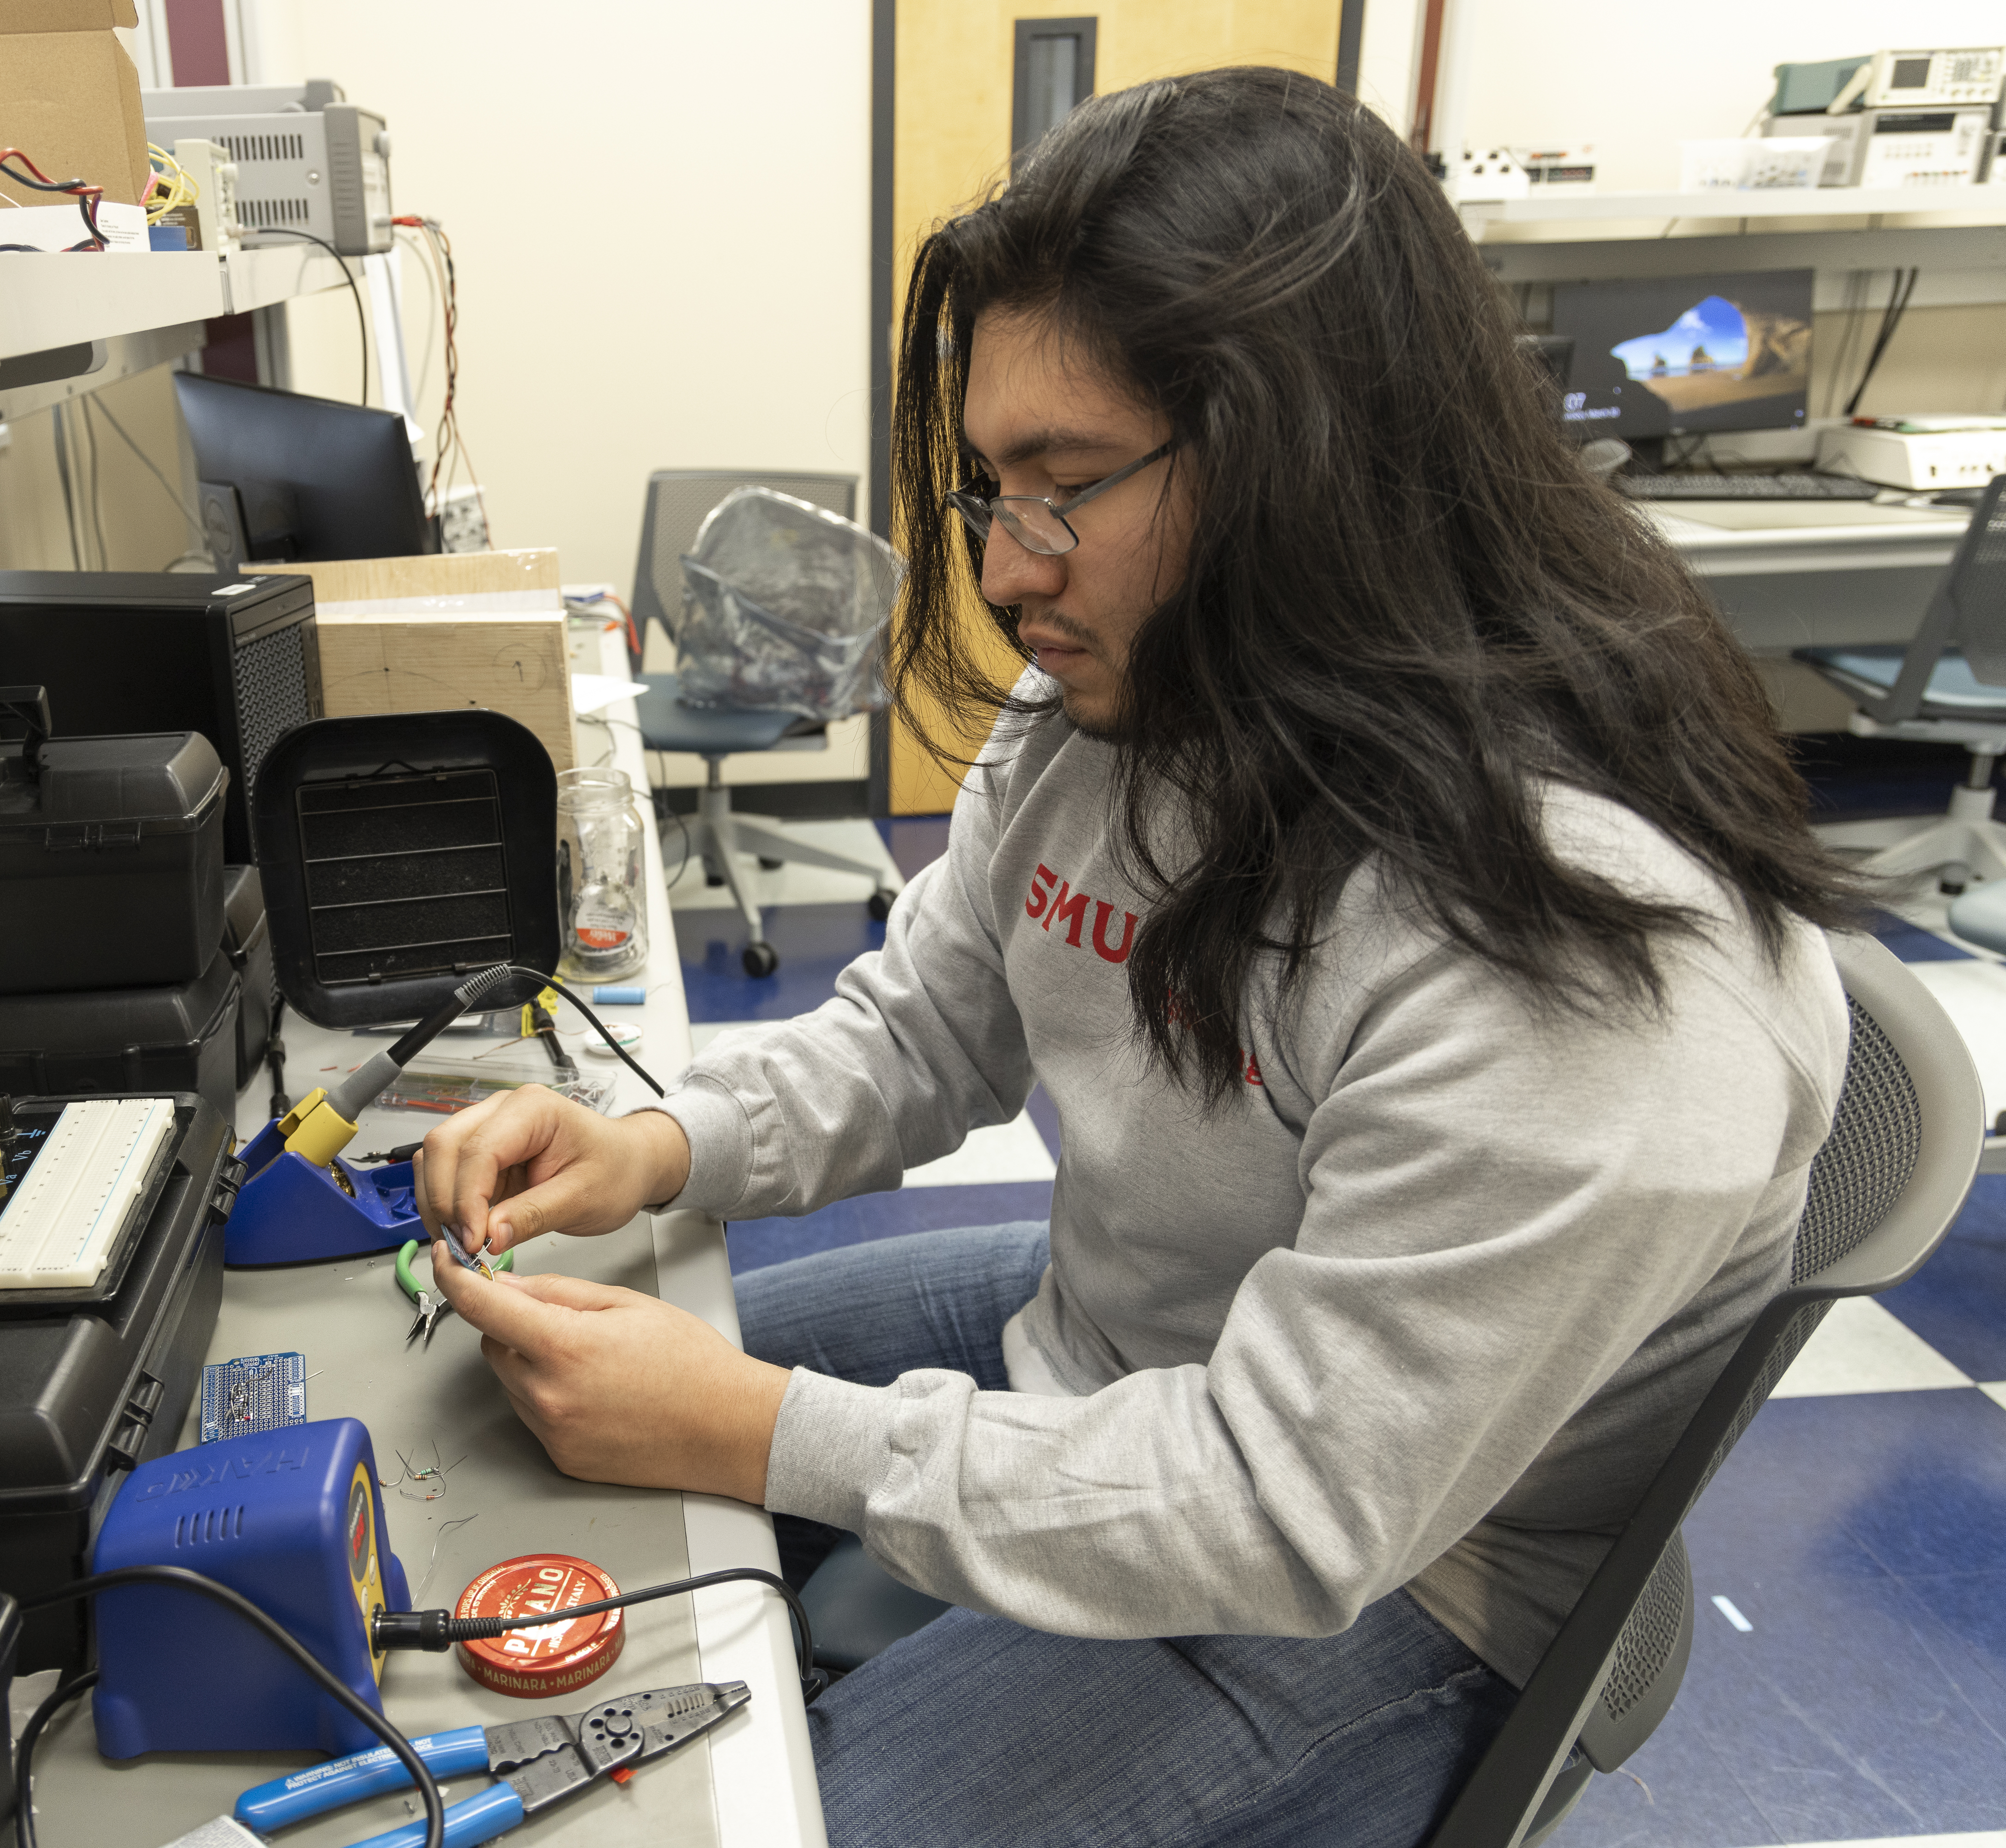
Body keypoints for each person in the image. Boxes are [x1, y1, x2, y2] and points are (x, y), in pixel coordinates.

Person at [417, 66, 1860, 1848]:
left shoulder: (1587, 966)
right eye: (992, 488)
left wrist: (771, 1433)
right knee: (506, 1415)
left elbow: (1285, 1500)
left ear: (1304, 456)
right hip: (1125, 1326)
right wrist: (662, 1145)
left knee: (755, 1817)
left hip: (1400, 1563)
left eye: (1067, 484)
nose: (1013, 568)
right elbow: (928, 1024)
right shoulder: (1131, 688)